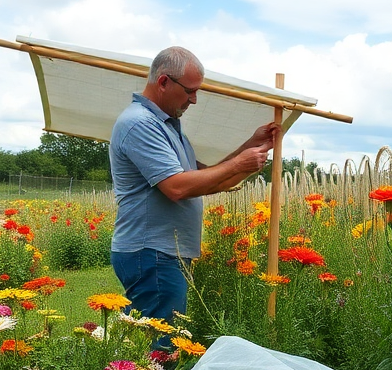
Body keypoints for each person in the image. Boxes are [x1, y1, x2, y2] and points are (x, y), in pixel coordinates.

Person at [109, 46, 278, 342]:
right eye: (190, 91)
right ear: (163, 82)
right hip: (152, 252)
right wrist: (240, 163)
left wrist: (252, 146)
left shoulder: (168, 126)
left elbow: (207, 178)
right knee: (160, 347)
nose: (194, 99)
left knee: (155, 341)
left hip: (163, 252)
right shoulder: (140, 124)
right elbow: (177, 187)